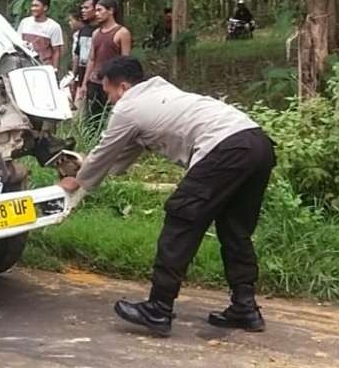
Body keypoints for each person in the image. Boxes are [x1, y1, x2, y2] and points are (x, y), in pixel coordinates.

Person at [59, 57, 275, 337]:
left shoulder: (129, 107)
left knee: (181, 220)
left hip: (224, 148)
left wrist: (79, 180)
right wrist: (88, 169)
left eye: (108, 92)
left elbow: (104, 151)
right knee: (235, 230)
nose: (109, 99)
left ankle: (158, 309)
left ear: (122, 87)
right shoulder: (158, 94)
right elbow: (119, 158)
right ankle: (245, 307)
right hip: (257, 143)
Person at [79, 0, 132, 121]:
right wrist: (84, 83)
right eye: (96, 10)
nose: (97, 14)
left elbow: (125, 60)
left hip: (112, 83)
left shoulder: (122, 33)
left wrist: (121, 85)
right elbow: (91, 59)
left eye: (100, 10)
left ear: (110, 11)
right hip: (95, 82)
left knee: (110, 118)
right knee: (92, 119)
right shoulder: (96, 33)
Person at [17, 0, 64, 69]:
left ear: (45, 7)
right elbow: (18, 43)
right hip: (25, 66)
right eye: (32, 6)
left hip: (44, 67)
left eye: (36, 6)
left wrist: (55, 70)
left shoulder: (54, 26)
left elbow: (56, 51)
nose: (33, 8)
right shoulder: (24, 22)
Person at [68, 11, 84, 105]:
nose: (70, 23)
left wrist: (74, 74)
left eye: (71, 20)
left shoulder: (82, 35)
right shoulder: (75, 35)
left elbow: (77, 56)